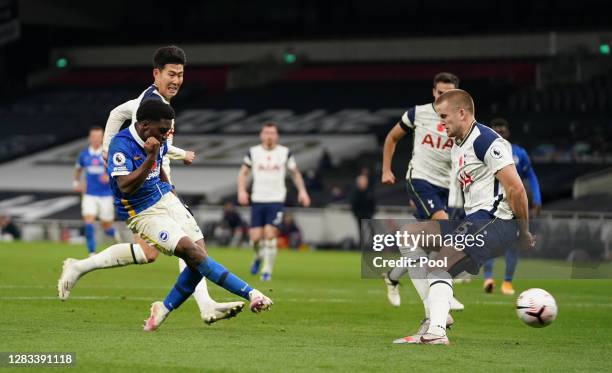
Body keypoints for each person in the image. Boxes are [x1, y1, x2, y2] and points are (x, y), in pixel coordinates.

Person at [58, 46, 243, 325]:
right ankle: (205, 305)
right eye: (171, 74)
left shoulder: (152, 98)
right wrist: (110, 152)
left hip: (158, 185)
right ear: (157, 73)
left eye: (180, 75)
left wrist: (176, 155)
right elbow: (144, 142)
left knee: (152, 253)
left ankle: (79, 266)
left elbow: (116, 112)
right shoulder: (149, 105)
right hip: (145, 191)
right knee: (186, 244)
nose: (177, 80)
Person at [105, 100, 272, 331]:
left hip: (166, 198)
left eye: (169, 130)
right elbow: (125, 186)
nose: (166, 135)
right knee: (193, 254)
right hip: (142, 211)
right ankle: (252, 293)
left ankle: (162, 310)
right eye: (163, 130)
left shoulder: (158, 138)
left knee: (198, 257)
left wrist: (173, 195)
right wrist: (150, 157)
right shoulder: (121, 145)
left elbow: (159, 170)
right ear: (144, 125)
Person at [393, 89, 534, 345]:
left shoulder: (486, 141)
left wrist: (523, 232)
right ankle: (435, 316)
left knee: (439, 266)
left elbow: (516, 189)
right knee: (407, 236)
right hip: (475, 221)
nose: (441, 122)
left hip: (494, 222)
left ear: (462, 113)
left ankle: (436, 331)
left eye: (444, 116)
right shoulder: (458, 146)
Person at [380, 72, 464, 311]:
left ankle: (392, 276)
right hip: (420, 179)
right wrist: (386, 169)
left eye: (448, 94)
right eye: (440, 93)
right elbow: (391, 138)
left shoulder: (461, 119)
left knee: (421, 246)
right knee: (446, 231)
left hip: (447, 187)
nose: (443, 97)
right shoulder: (418, 113)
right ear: (433, 92)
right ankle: (444, 292)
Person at [237, 122, 311, 281]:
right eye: (266, 132)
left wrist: (302, 191)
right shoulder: (253, 152)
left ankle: (266, 271)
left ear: (276, 135)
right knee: (255, 238)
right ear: (261, 135)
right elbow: (243, 173)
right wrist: (242, 191)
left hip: (276, 200)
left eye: (272, 133)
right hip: (258, 199)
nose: (269, 135)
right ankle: (258, 257)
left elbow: (295, 173)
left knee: (270, 235)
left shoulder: (284, 153)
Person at [482, 118, 542, 295]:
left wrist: (537, 200)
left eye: (502, 129)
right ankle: (488, 279)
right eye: (496, 129)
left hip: (512, 204)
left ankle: (507, 282)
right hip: (490, 203)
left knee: (513, 245)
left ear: (507, 132)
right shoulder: (483, 150)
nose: (499, 131)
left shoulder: (519, 153)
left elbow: (531, 177)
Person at [73, 127, 117, 255]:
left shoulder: (108, 154)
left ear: (102, 138)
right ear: (89, 138)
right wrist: (76, 182)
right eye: (93, 137)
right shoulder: (84, 155)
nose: (96, 139)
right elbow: (78, 169)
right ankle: (91, 252)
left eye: (98, 137)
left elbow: (119, 171)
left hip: (106, 195)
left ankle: (116, 237)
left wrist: (109, 176)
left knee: (107, 227)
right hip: (89, 194)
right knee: (88, 222)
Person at [350, 174, 376, 246]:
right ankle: (361, 245)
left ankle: (375, 245)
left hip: (368, 214)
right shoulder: (355, 193)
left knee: (371, 230)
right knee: (361, 231)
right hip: (359, 214)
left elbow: (373, 204)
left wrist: (371, 213)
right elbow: (353, 204)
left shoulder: (369, 192)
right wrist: (356, 214)